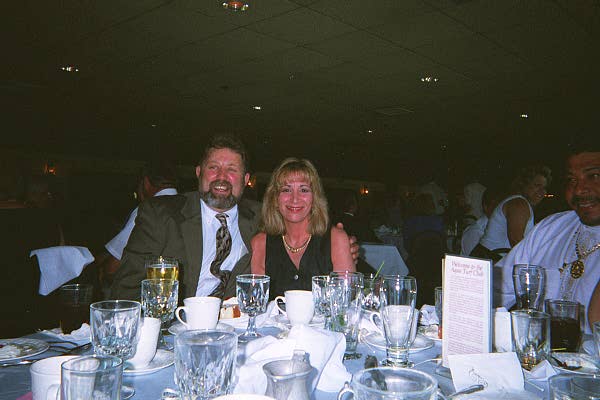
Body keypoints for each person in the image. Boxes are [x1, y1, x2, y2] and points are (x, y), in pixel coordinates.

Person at [110, 135, 261, 301]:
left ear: (245, 179)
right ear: (198, 172)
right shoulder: (160, 215)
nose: (221, 177)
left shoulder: (261, 218)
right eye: (213, 167)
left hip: (231, 316)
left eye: (231, 170)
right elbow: (127, 288)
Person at [495, 142, 599, 332]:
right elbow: (497, 286)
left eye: (593, 176)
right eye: (571, 180)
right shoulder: (552, 228)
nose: (579, 190)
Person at [250, 158, 354, 299]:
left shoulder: (336, 239)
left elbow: (346, 302)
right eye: (286, 190)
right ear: (275, 199)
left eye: (303, 190)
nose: (294, 199)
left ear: (315, 198)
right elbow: (257, 303)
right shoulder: (260, 243)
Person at [98, 161, 178, 287]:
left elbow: (113, 266)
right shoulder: (189, 208)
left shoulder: (150, 209)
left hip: (144, 289)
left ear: (145, 182)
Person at [472, 165, 551, 261]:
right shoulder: (519, 204)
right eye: (537, 185)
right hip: (491, 260)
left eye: (544, 188)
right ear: (524, 184)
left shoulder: (518, 202)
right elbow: (516, 241)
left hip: (491, 258)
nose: (542, 191)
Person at [460, 187, 503, 256]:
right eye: (496, 206)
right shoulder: (475, 232)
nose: (500, 210)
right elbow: (476, 261)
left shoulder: (504, 228)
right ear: (486, 207)